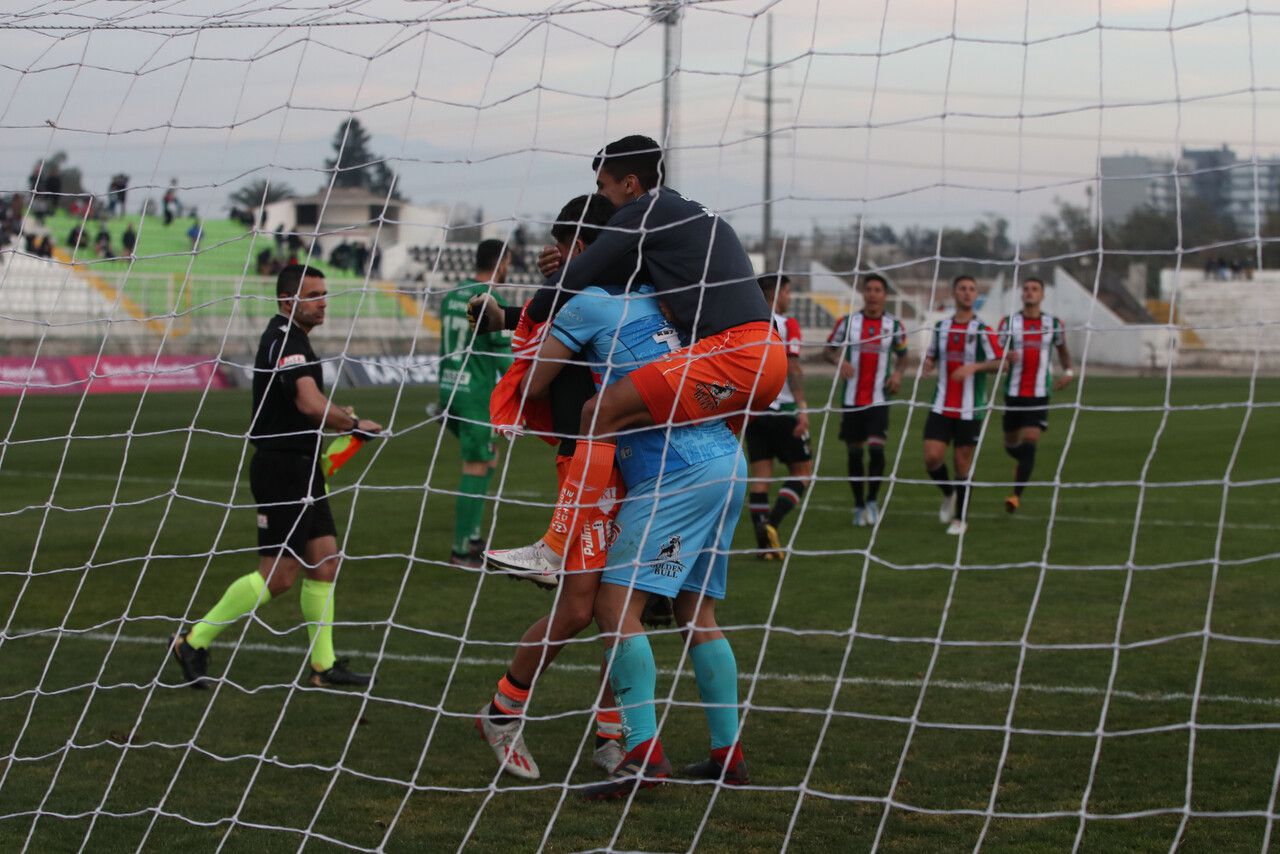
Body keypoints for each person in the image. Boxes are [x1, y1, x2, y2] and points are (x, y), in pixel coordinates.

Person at [504, 226, 750, 800]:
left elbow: (534, 384)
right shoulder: (665, 300)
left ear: (584, 253)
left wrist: (553, 318)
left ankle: (642, 759)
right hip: (727, 461)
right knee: (698, 615)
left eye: (565, 249)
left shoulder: (588, 302)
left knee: (614, 605)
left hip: (676, 472)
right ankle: (728, 755)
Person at [489, 134, 786, 576]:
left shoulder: (643, 211)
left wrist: (527, 316)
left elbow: (587, 278)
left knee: (599, 412)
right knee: (696, 615)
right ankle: (673, 581)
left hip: (732, 353)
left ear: (630, 184)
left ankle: (552, 550)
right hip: (762, 357)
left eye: (604, 187)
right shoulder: (684, 216)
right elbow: (618, 287)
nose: (602, 198)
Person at [473, 195, 629, 782]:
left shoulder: (627, 293)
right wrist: (512, 313)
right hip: (586, 464)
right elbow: (543, 363)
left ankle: (614, 736)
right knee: (580, 609)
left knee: (624, 609)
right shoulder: (570, 297)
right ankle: (502, 712)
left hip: (638, 463)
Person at [170, 265, 382, 690]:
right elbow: (307, 402)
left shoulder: (295, 340)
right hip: (282, 468)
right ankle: (193, 640)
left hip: (304, 468)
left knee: (324, 561)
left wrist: (342, 418)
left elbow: (309, 399)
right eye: (314, 295)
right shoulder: (284, 339)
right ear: (288, 300)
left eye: (325, 294)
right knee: (279, 575)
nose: (323, 302)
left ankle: (323, 667)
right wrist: (350, 424)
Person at [438, 240, 513, 567]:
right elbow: (502, 357)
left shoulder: (453, 294)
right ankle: (461, 549)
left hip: (449, 389)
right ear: (503, 262)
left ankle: (472, 537)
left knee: (488, 457)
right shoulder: (490, 298)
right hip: (474, 394)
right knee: (476, 465)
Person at [922, 275, 1006, 536]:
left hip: (970, 407)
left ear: (975, 295)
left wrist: (975, 366)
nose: (967, 293)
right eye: (962, 289)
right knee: (932, 457)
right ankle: (949, 493)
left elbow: (1001, 362)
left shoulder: (982, 330)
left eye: (972, 289)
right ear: (954, 293)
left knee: (961, 462)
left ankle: (960, 519)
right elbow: (933, 355)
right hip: (941, 404)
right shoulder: (941, 327)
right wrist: (928, 364)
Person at [824, 274, 908, 527]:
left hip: (879, 399)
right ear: (863, 293)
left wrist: (897, 373)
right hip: (851, 400)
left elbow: (903, 356)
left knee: (876, 449)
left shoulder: (894, 325)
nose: (873, 294)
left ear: (885, 295)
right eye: (869, 289)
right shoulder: (848, 323)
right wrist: (840, 361)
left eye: (878, 290)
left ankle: (872, 499)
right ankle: (859, 505)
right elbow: (828, 350)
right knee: (855, 454)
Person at [744, 274, 811, 559]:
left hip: (754, 413)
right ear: (777, 293)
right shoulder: (787, 324)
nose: (789, 298)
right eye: (787, 292)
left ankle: (764, 546)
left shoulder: (749, 325)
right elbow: (793, 366)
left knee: (761, 479)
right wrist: (802, 406)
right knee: (803, 473)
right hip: (784, 410)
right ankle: (771, 524)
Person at [997, 277, 1074, 513]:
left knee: (1030, 442)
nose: (1030, 292)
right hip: (1013, 393)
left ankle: (1015, 496)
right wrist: (1003, 358)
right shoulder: (1009, 323)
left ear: (1042, 295)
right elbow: (996, 351)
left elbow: (1062, 351)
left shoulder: (1053, 323)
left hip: (1039, 394)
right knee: (1011, 446)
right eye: (1026, 289)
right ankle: (1022, 466)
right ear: (1021, 294)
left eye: (1035, 289)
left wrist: (1069, 371)